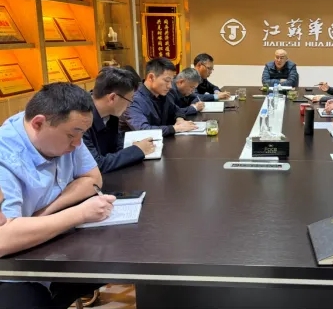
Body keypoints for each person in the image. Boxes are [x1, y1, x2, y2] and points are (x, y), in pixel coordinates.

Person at [0, 82, 117, 309]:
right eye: (72, 135)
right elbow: (4, 238)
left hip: (47, 245)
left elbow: (93, 179)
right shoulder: (6, 155)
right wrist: (79, 213)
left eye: (82, 134)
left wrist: (45, 212)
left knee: (113, 258)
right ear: (38, 123)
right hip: (11, 268)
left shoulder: (65, 133)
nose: (77, 144)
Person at [83, 67, 156, 174]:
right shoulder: (81, 119)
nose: (130, 105)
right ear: (112, 98)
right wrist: (137, 150)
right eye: (129, 100)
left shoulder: (111, 114)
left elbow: (115, 146)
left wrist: (132, 146)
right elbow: (96, 165)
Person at [119, 57, 197, 136]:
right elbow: (143, 130)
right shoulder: (133, 99)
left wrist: (179, 119)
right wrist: (175, 128)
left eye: (171, 81)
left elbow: (177, 110)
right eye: (167, 80)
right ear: (151, 77)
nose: (170, 86)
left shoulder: (162, 94)